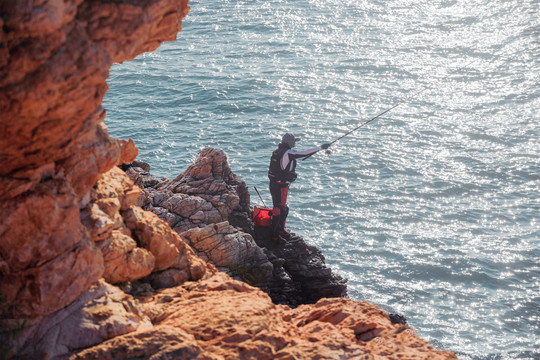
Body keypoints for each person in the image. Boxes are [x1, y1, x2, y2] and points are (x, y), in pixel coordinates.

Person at [268, 133, 330, 240]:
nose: (295, 144)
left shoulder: (277, 152)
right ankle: (276, 235)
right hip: (281, 186)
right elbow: (304, 153)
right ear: (289, 142)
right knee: (281, 209)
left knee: (280, 207)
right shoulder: (288, 153)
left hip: (274, 184)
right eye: (294, 141)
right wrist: (320, 147)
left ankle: (279, 231)